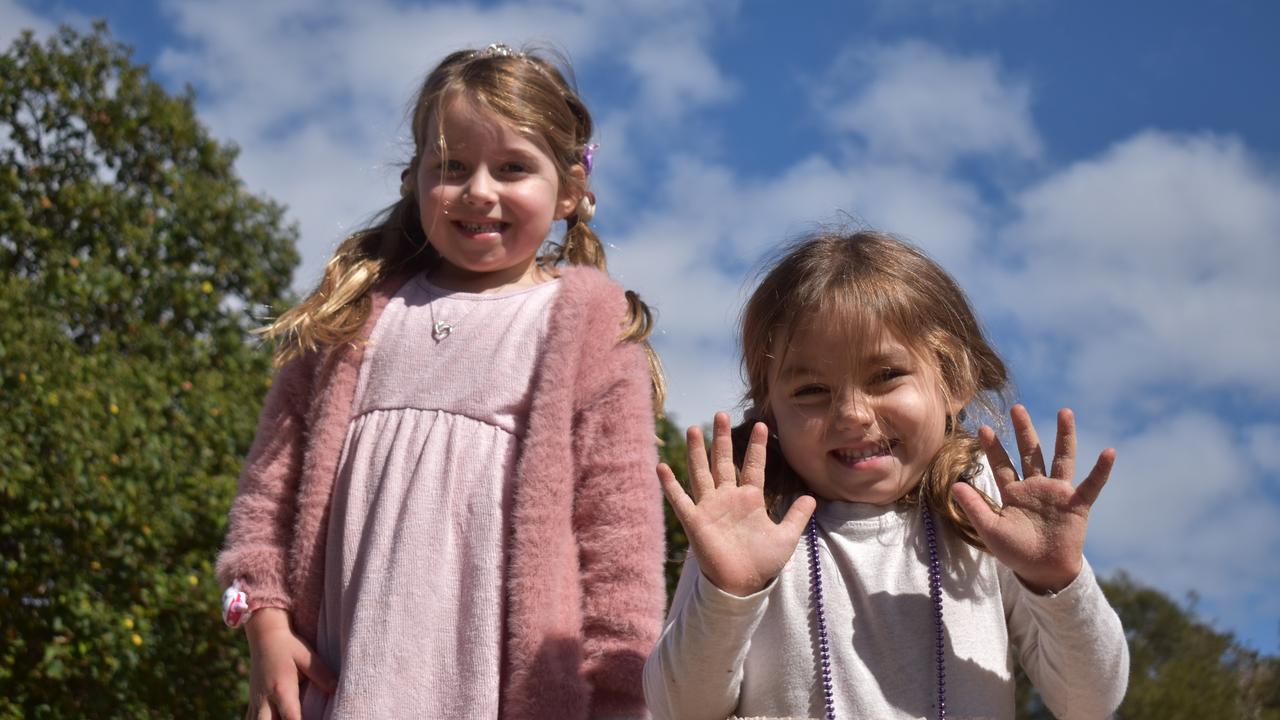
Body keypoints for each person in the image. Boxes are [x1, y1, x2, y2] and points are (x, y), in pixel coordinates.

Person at [216, 43, 667, 720]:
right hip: (343, 690)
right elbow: (264, 501)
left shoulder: (587, 330)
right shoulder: (349, 325)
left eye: (513, 167)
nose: (479, 190)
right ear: (415, 179)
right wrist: (263, 624)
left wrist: (619, 696)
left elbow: (620, 544)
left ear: (570, 189)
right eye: (452, 166)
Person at [644, 230, 1128, 720]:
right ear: (769, 408)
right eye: (812, 390)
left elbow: (1089, 701)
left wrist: (1054, 579)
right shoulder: (752, 518)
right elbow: (676, 708)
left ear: (954, 380)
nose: (852, 414)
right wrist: (730, 591)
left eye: (885, 376)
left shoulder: (982, 511)